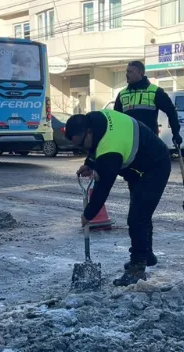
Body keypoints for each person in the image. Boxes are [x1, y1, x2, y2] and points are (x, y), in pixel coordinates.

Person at [66, 109, 171, 286]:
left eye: (82, 145)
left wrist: (88, 214)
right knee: (142, 213)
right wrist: (90, 163)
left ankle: (137, 268)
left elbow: (103, 188)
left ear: (89, 131)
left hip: (155, 167)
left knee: (137, 217)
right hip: (139, 167)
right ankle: (147, 255)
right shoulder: (94, 120)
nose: (83, 149)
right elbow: (95, 146)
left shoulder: (110, 151)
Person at [113, 61, 182, 148]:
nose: (127, 74)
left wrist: (176, 133)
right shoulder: (122, 94)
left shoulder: (155, 91)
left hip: (149, 141)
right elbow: (116, 119)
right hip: (129, 142)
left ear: (140, 73)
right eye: (126, 71)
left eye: (130, 72)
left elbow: (171, 111)